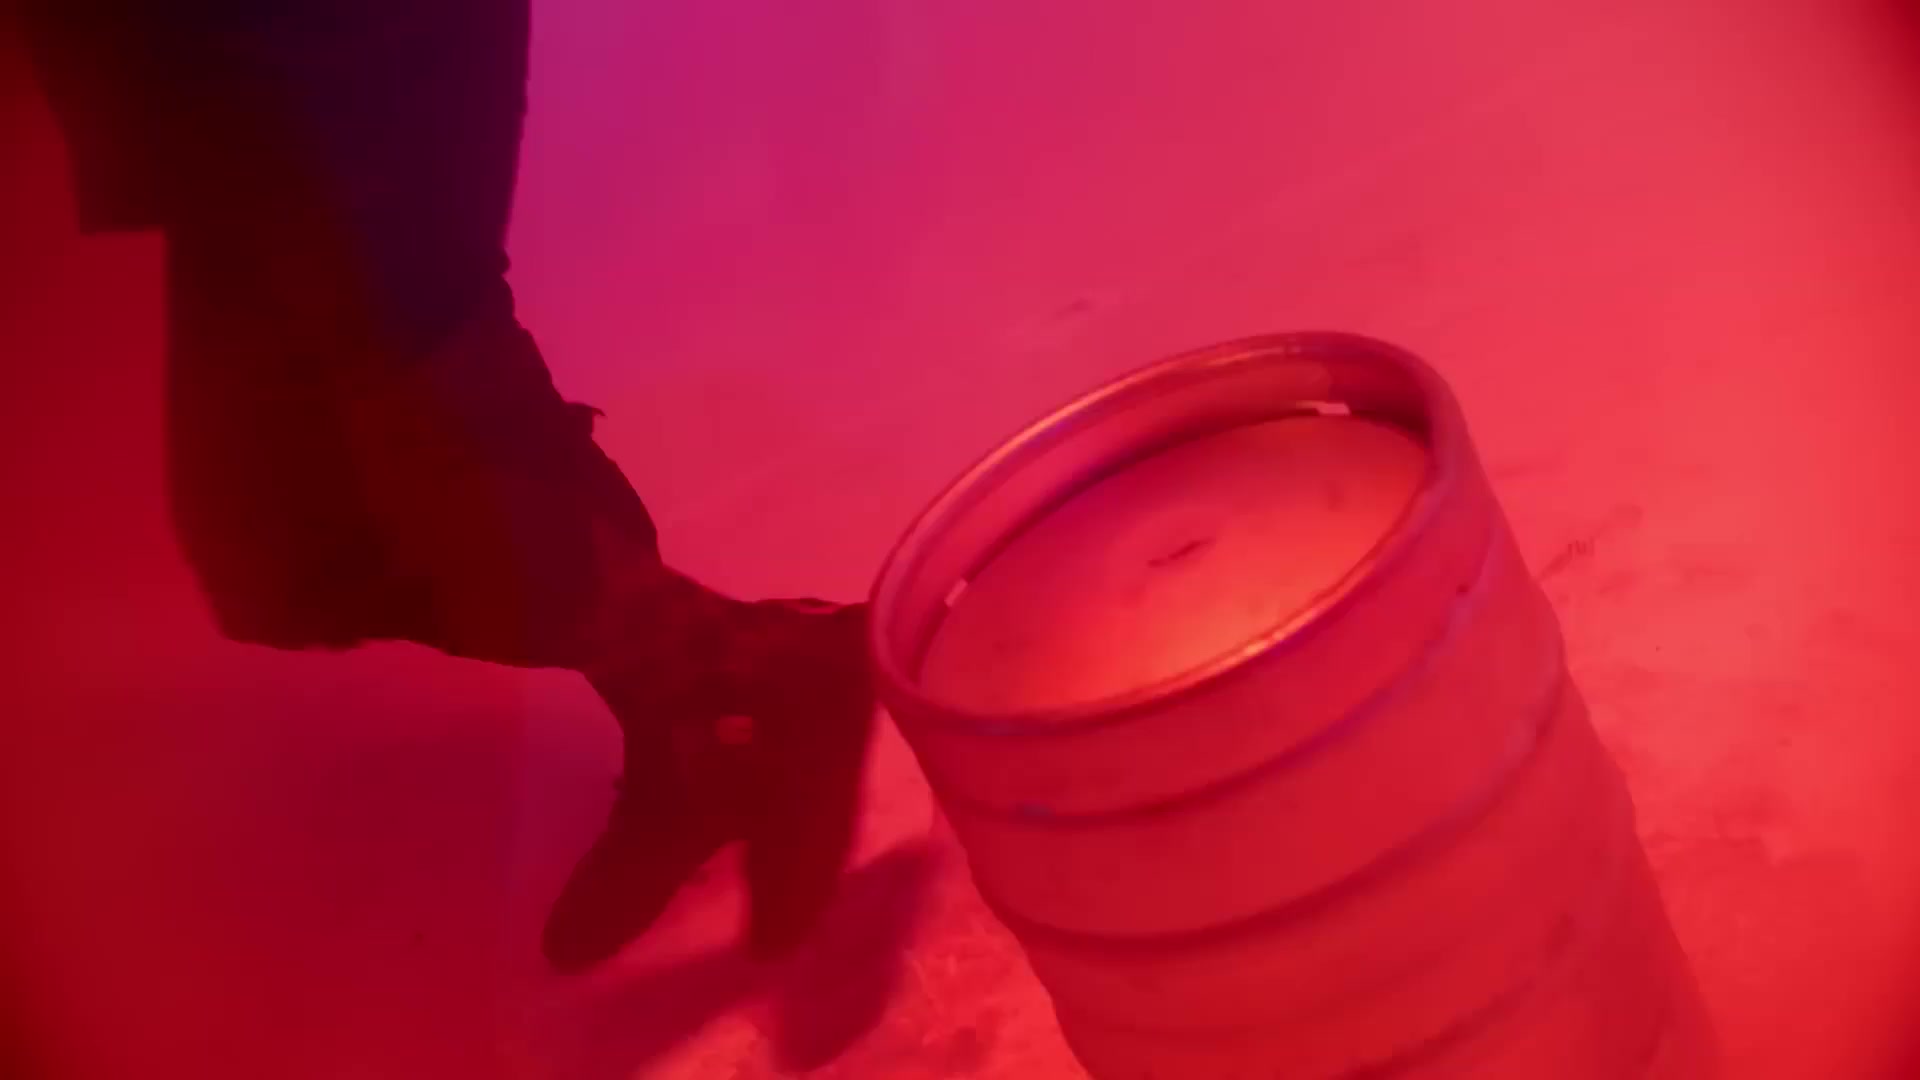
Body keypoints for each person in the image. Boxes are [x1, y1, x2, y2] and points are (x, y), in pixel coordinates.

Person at [15, 1, 876, 973]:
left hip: (311, 45)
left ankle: (759, 677)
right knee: (288, 528)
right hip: (217, 70)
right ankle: (703, 717)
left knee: (422, 433)